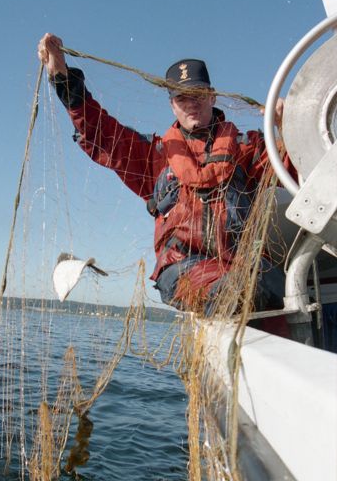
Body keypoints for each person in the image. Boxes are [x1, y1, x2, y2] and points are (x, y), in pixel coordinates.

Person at [38, 33, 293, 314]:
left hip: (246, 264)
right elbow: (101, 134)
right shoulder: (154, 155)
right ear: (172, 104)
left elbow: (292, 171)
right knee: (233, 291)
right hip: (184, 270)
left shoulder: (250, 147)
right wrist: (62, 77)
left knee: (283, 288)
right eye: (182, 97)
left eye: (198, 94)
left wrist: (289, 126)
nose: (191, 103)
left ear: (213, 96)